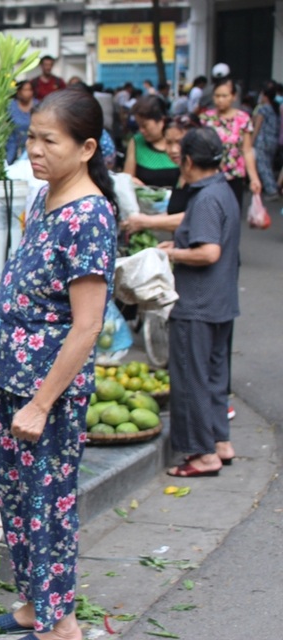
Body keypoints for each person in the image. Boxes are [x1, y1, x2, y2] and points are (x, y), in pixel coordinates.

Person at [0, 89, 117, 640]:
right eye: (31, 137)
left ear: (86, 148)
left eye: (48, 140)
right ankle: (33, 606)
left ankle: (62, 624)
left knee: (49, 509)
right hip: (11, 382)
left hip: (48, 393)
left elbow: (86, 326)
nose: (33, 149)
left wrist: (42, 403)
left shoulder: (89, 215)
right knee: (17, 503)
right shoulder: (46, 198)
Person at [158, 127, 240, 477]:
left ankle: (203, 454)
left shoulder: (205, 198)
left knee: (191, 377)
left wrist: (173, 254)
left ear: (189, 161)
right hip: (221, 301)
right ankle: (220, 442)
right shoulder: (223, 189)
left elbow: (208, 251)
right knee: (214, 376)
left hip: (198, 303)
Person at [121, 114, 202, 234]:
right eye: (168, 143)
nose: (174, 150)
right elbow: (173, 213)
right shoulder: (181, 174)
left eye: (179, 142)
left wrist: (147, 222)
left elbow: (195, 218)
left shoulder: (201, 177)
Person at [200, 76, 261, 207]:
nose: (220, 100)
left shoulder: (243, 119)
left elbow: (247, 150)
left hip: (234, 177)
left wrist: (254, 178)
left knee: (232, 216)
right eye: (217, 96)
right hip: (210, 175)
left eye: (224, 96)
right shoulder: (206, 119)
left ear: (234, 97)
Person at [123, 94, 180, 187]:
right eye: (139, 126)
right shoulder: (137, 142)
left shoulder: (179, 140)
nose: (141, 130)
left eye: (145, 126)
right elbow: (126, 178)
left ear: (161, 121)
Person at [252, 82, 280, 199]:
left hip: (263, 141)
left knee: (263, 166)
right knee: (268, 164)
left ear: (265, 96)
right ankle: (270, 188)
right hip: (273, 140)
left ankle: (271, 190)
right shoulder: (276, 109)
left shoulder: (263, 110)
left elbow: (257, 127)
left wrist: (251, 141)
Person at [6, 81, 36, 164]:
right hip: (11, 145)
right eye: (25, 90)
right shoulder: (10, 106)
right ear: (18, 92)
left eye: (30, 90)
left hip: (31, 147)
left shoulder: (38, 106)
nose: (28, 93)